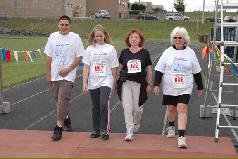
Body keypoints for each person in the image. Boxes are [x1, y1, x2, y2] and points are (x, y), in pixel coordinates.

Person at [153, 26, 204, 148]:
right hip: (170, 87)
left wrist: (200, 86)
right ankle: (171, 126)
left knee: (182, 108)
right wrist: (156, 84)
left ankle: (181, 137)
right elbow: (159, 69)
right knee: (171, 108)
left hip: (185, 86)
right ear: (172, 39)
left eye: (180, 37)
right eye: (175, 37)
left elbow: (196, 71)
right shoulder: (167, 52)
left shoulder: (190, 53)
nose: (177, 40)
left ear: (185, 39)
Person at [44, 15, 85, 141]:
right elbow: (49, 58)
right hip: (55, 75)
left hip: (68, 75)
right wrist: (48, 74)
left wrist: (68, 69)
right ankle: (66, 118)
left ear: (70, 25)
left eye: (66, 24)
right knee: (57, 100)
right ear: (58, 25)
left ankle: (58, 128)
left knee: (63, 100)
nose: (64, 27)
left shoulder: (75, 38)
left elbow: (79, 57)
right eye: (62, 24)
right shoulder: (52, 37)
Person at [82, 24, 119, 141]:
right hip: (93, 81)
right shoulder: (89, 49)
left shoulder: (110, 49)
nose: (99, 38)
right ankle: (96, 129)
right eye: (96, 36)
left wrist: (114, 82)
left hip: (106, 80)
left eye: (101, 36)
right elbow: (86, 67)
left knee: (103, 104)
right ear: (93, 37)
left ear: (105, 36)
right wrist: (84, 82)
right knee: (95, 106)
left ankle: (104, 130)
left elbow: (114, 68)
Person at [117, 29, 152, 141]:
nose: (133, 39)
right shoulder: (124, 52)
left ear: (140, 40)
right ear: (128, 40)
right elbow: (119, 68)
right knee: (127, 107)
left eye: (136, 37)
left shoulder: (145, 53)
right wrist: (116, 82)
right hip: (125, 82)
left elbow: (149, 70)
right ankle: (129, 131)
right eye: (131, 37)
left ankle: (137, 122)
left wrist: (149, 84)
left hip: (140, 83)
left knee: (137, 109)